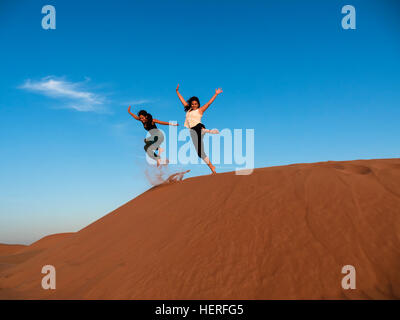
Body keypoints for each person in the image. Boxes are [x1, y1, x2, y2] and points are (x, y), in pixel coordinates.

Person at [175, 84, 222, 174]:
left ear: (198, 104)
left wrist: (216, 94)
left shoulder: (200, 110)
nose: (194, 105)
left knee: (198, 127)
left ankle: (206, 130)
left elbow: (208, 103)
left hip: (199, 127)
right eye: (192, 104)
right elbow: (182, 100)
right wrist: (177, 91)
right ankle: (212, 167)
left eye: (195, 104)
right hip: (193, 132)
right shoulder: (188, 110)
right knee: (200, 153)